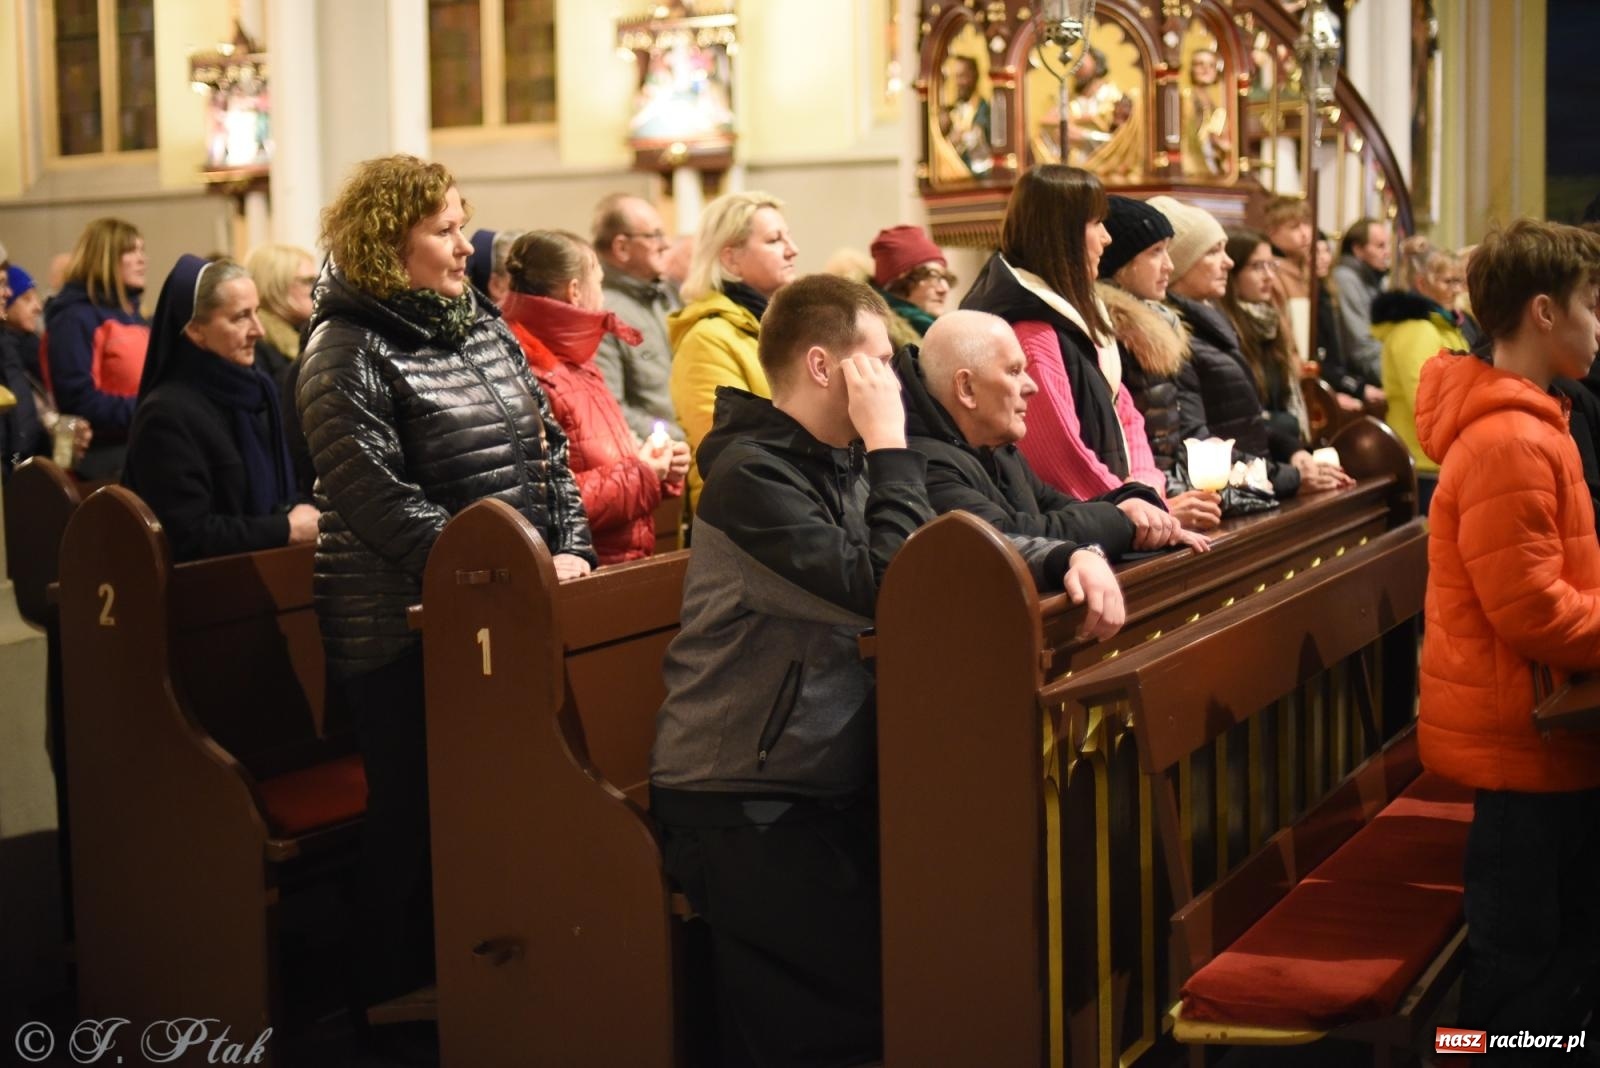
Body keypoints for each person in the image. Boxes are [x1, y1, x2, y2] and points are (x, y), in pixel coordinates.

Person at [651, 273, 1123, 1068]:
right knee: (847, 1018)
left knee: (935, 956)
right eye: (879, 361)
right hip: (741, 793)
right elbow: (889, 589)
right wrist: (891, 445)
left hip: (826, 778)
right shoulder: (752, 479)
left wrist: (1069, 551)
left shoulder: (839, 462)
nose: (896, 383)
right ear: (825, 366)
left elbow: (956, 544)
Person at [297, 154, 595, 1014]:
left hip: (497, 606)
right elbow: (377, 501)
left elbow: (549, 449)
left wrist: (566, 544)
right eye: (444, 230)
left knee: (497, 806)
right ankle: (389, 993)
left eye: (464, 224)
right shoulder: (342, 350)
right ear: (389, 242)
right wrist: (508, 572)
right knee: (416, 817)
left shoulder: (477, 322)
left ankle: (489, 976)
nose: (466, 246)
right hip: (397, 628)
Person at [1414, 218, 1600, 1054]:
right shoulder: (1510, 440)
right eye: (1595, 304)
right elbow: (1533, 610)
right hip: (1523, 739)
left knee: (1557, 961)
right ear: (1545, 313)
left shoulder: (1536, 421)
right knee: (1519, 974)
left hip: (1542, 732)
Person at [961, 165, 1189, 545]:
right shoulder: (1031, 328)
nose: (1106, 237)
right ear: (1060, 234)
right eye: (1095, 223)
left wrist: (1147, 491)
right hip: (1082, 530)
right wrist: (1129, 512)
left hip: (1115, 514)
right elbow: (1057, 455)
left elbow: (1126, 414)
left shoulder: (1079, 315)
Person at [900, 308, 1209, 556]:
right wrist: (1122, 519)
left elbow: (1053, 505)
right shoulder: (923, 462)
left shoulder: (993, 445)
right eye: (1013, 371)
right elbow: (1008, 538)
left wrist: (1133, 503)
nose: (1031, 386)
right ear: (966, 387)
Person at [499, 229, 690, 564]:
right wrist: (644, 472)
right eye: (599, 284)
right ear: (575, 291)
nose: (603, 300)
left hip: (619, 562)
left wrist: (659, 469)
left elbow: (603, 459)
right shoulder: (532, 370)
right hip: (587, 572)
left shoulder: (577, 363)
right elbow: (548, 502)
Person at [121, 256, 317, 562]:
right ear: (196, 329)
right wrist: (285, 529)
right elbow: (188, 534)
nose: (259, 331)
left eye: (257, 313)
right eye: (240, 317)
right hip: (208, 594)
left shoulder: (257, 392)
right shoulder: (166, 415)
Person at [1151, 196, 1349, 496]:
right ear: (1181, 263)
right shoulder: (1177, 335)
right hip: (1231, 493)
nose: (1227, 261)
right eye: (1213, 251)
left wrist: (1291, 450)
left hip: (1252, 481)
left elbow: (1243, 422)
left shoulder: (1212, 324)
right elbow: (1200, 441)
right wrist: (1288, 477)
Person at [1095, 195, 1224, 530]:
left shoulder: (1160, 323)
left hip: (1165, 494)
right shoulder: (1113, 333)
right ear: (1120, 264)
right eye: (1155, 252)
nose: (1168, 265)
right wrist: (1161, 502)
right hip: (1146, 505)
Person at [668, 189, 798, 511]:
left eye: (788, 238)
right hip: (741, 513)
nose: (793, 250)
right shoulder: (707, 338)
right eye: (774, 240)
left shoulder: (785, 326)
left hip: (795, 499)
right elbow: (730, 451)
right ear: (731, 258)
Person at [42, 217, 151, 478]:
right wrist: (149, 408)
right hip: (103, 457)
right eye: (130, 251)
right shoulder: (75, 318)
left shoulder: (134, 317)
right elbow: (79, 400)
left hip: (140, 441)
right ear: (105, 257)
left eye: (142, 250)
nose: (142, 259)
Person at [1375, 237, 1470, 513]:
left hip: (1444, 455)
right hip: (1424, 457)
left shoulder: (1443, 325)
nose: (1455, 290)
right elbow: (1426, 400)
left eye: (1457, 281)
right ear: (1421, 284)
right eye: (1447, 282)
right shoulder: (1416, 330)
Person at [591, 193, 685, 443]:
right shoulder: (602, 313)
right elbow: (611, 408)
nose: (666, 244)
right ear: (622, 247)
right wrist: (681, 438)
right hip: (662, 459)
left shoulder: (668, 297)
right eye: (655, 235)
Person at [1220, 230, 1313, 463]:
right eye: (1257, 267)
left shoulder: (1273, 323)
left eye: (1271, 266)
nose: (1269, 276)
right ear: (1234, 274)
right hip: (1252, 458)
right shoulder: (1226, 329)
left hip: (1284, 452)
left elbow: (1286, 397)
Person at [869, 224, 953, 349]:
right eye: (932, 276)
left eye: (944, 278)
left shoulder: (931, 329)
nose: (944, 289)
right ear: (899, 283)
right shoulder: (882, 341)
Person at [1331, 217, 1392, 386]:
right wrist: (1394, 378)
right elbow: (1360, 346)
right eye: (1380, 246)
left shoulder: (1372, 279)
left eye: (1388, 245)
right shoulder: (1346, 279)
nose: (1387, 252)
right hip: (1359, 377)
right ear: (1358, 249)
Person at [246, 244, 318, 381]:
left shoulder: (305, 332)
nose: (316, 288)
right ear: (275, 286)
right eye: (308, 281)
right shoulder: (255, 345)